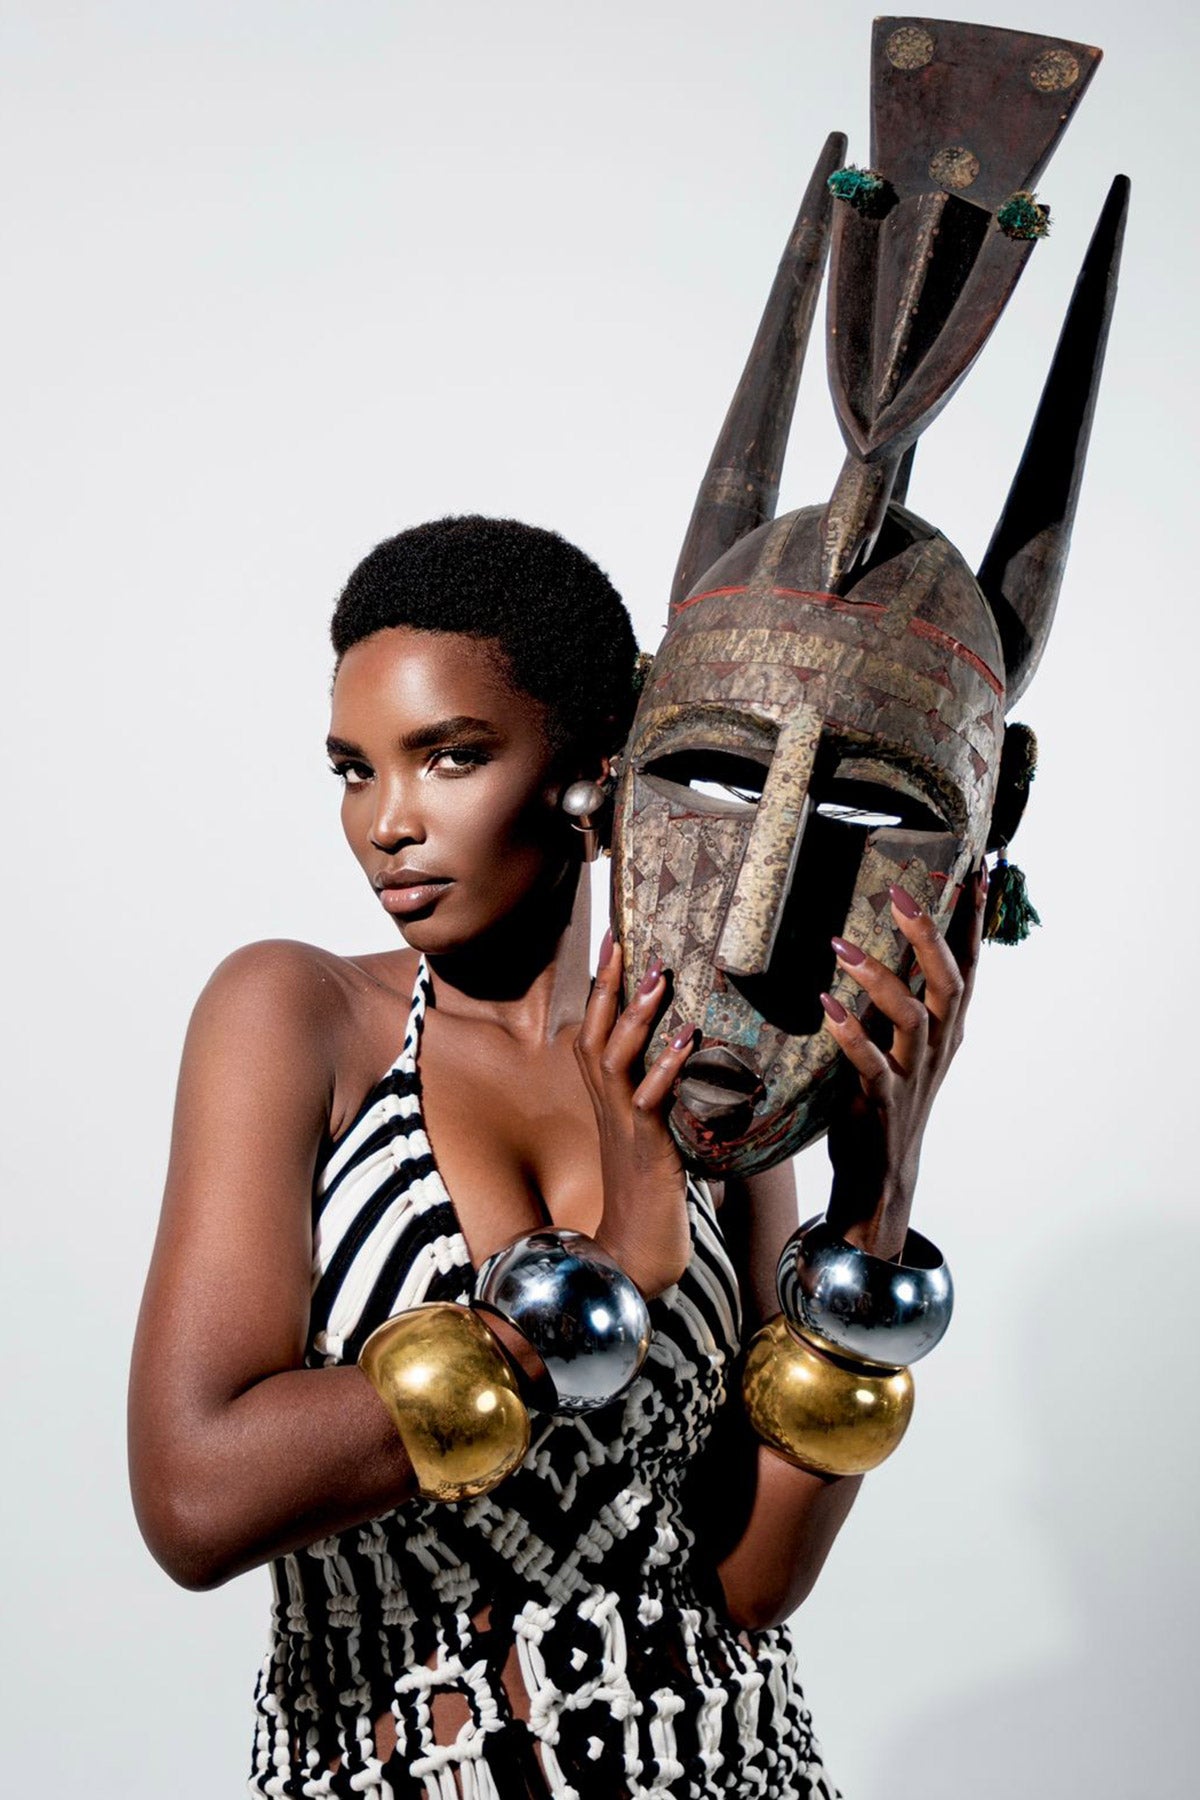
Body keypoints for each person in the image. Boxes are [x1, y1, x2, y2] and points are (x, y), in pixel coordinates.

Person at [129, 512, 983, 1798]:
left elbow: (751, 1583)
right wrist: (612, 1274)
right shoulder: (295, 1017)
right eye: (354, 770)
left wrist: (874, 1206)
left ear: (596, 774)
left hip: (730, 1767)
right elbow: (195, 1502)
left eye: (450, 757)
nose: (388, 822)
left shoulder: (702, 1059)